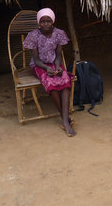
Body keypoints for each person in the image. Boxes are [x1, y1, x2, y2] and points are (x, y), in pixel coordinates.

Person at [23, 8, 76, 137]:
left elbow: (58, 55)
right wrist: (46, 68)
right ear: (38, 23)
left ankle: (65, 119)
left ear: (53, 21)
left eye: (48, 21)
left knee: (65, 79)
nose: (45, 24)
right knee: (50, 81)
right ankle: (65, 119)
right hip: (39, 65)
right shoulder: (33, 35)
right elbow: (35, 59)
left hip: (54, 63)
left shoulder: (59, 33)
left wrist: (58, 67)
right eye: (42, 21)